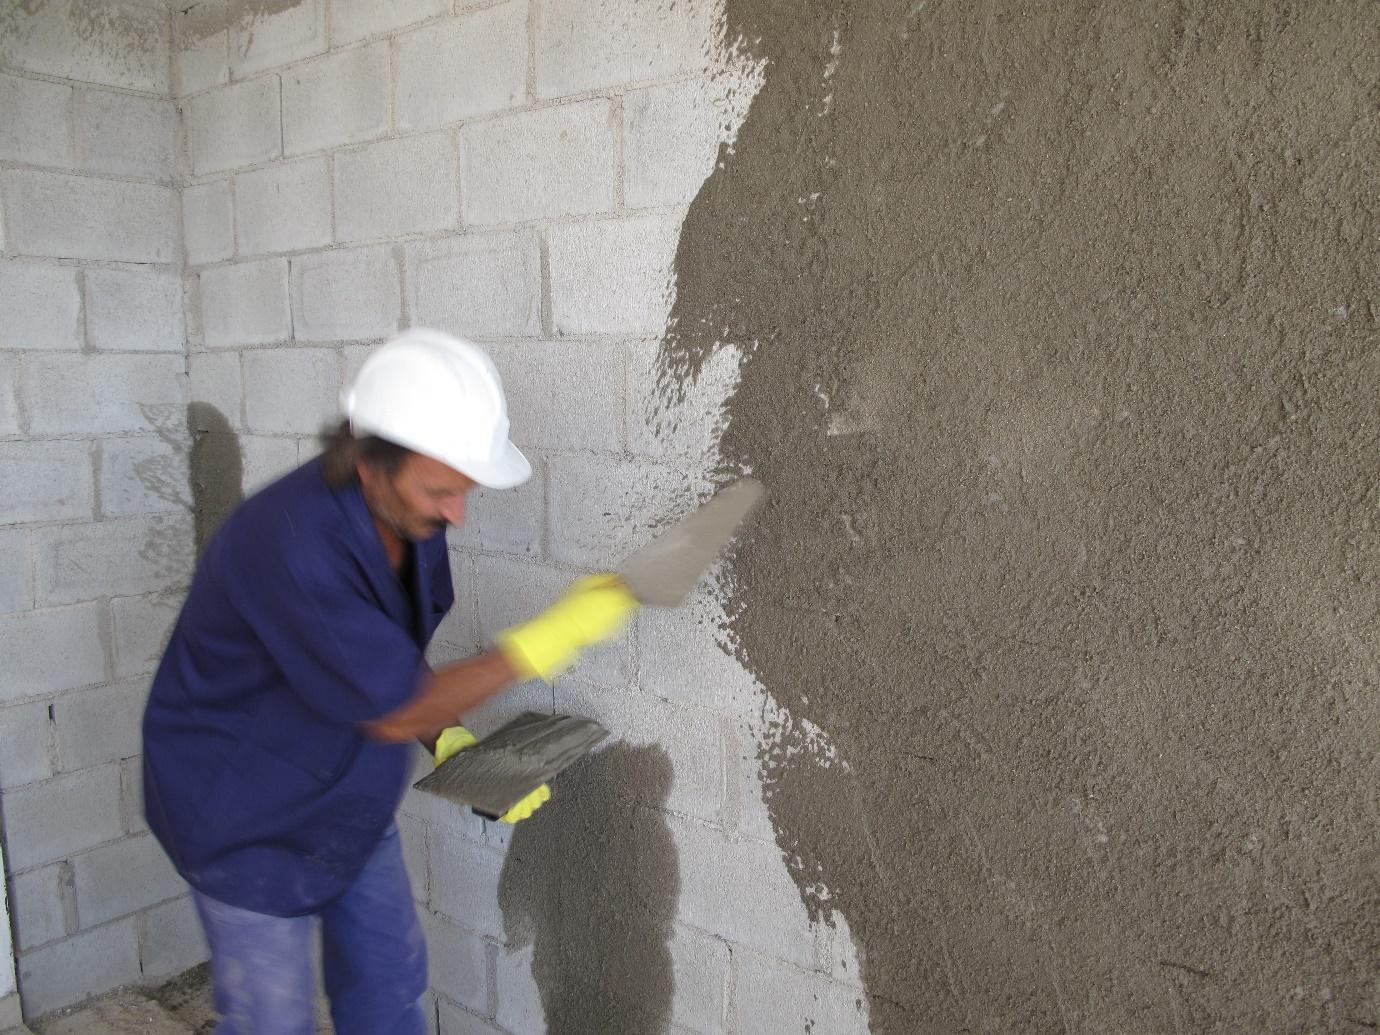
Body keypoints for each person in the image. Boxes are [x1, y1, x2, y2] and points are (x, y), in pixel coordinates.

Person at [142, 329, 636, 1034]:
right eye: (442, 489)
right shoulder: (290, 542)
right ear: (369, 462)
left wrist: (450, 736)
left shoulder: (411, 519)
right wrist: (547, 638)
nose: (457, 512)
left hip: (344, 789)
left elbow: (389, 660)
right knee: (270, 1019)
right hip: (241, 809)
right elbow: (396, 702)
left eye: (463, 490)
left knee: (388, 988)